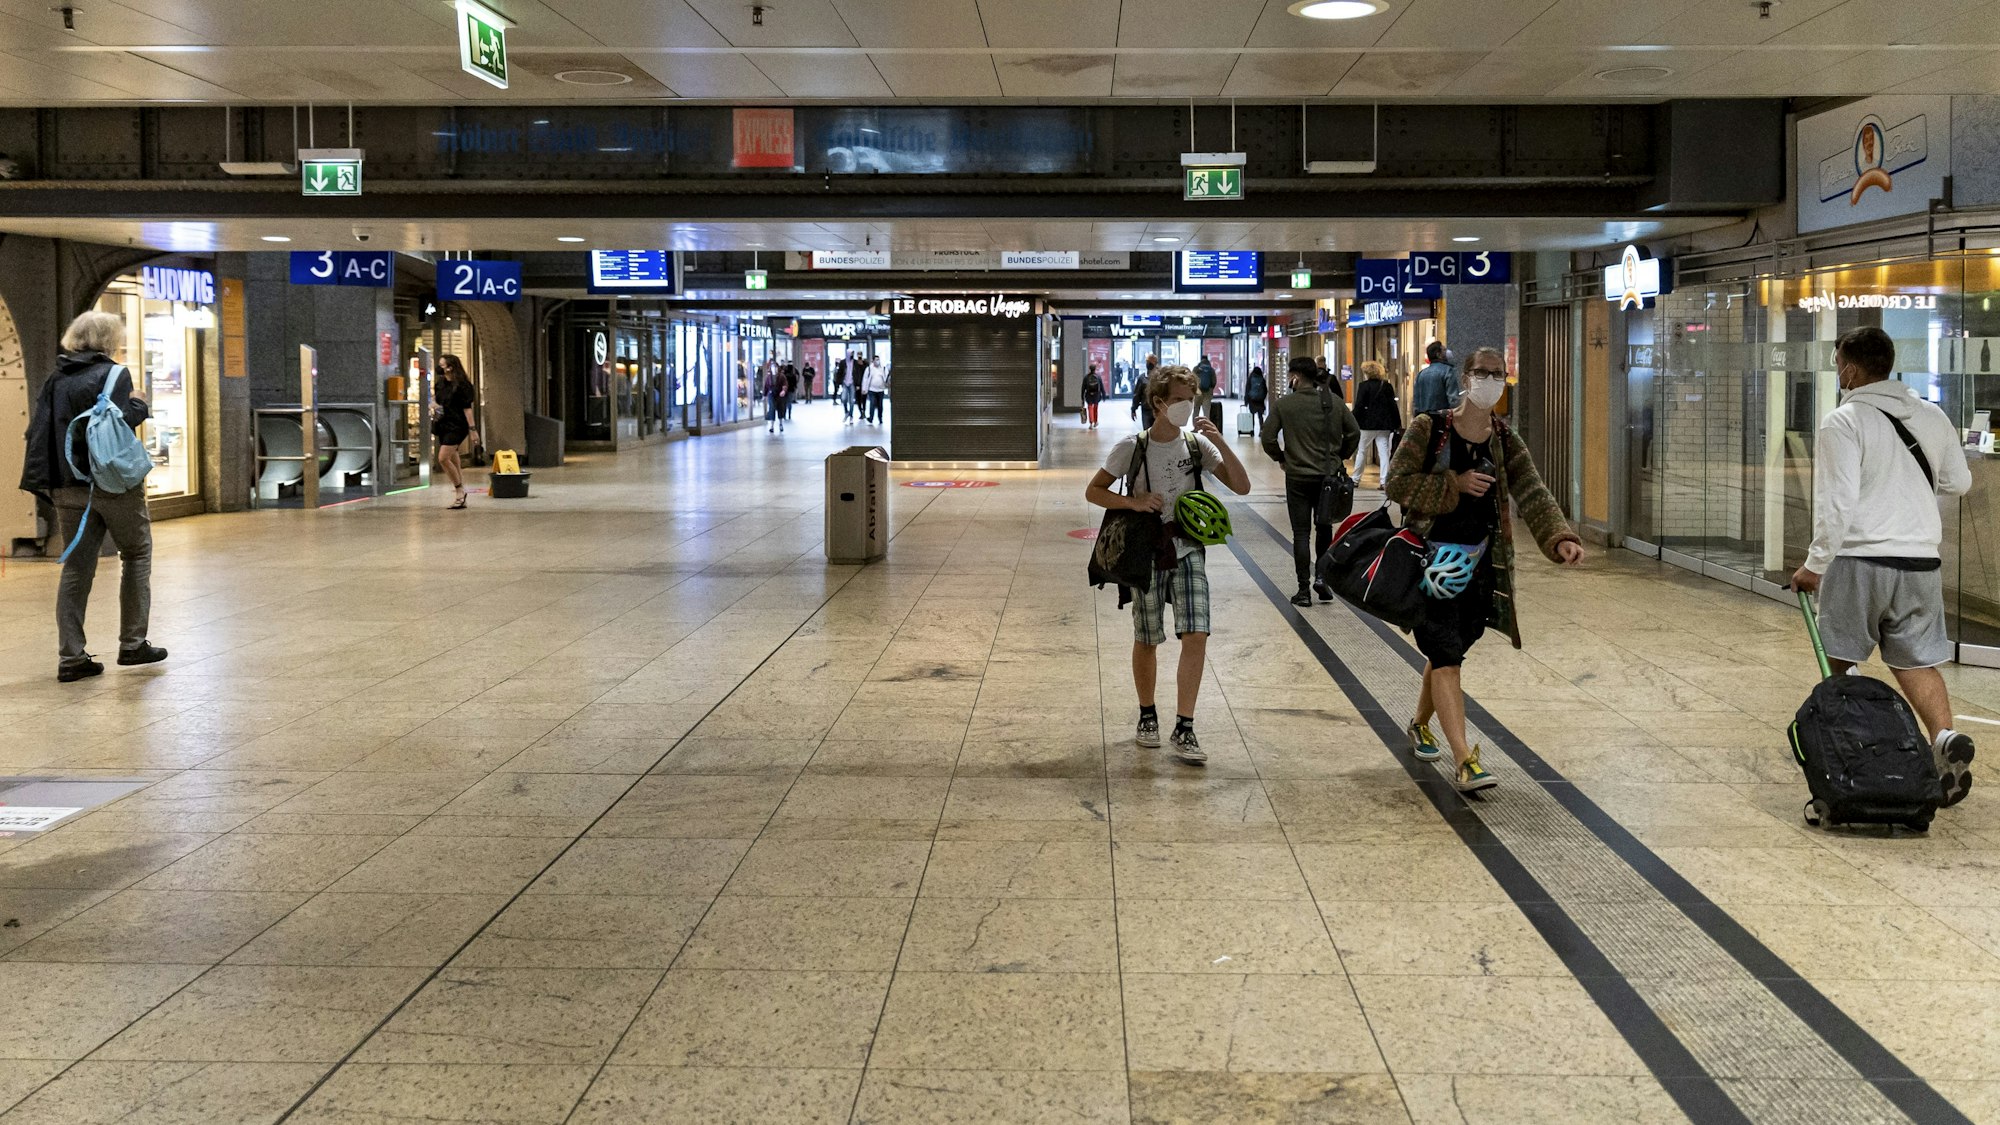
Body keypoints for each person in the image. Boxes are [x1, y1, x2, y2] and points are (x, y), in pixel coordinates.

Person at [1791, 326, 1976, 807]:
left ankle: (1855, 751)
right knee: (1917, 660)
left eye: (1837, 365)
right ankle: (1943, 740)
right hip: (1920, 560)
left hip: (1860, 558)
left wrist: (1814, 565)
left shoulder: (1844, 420)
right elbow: (1958, 481)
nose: (1838, 374)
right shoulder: (1931, 414)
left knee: (1840, 657)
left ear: (1850, 368)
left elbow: (1838, 501)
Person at [1387, 346, 1583, 793]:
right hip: (1430, 563)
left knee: (1448, 651)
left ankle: (1419, 724)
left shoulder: (1503, 438)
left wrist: (1561, 537)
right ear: (1465, 377)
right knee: (1446, 653)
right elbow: (1397, 483)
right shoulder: (1429, 428)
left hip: (1477, 566)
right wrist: (1451, 485)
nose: (1491, 381)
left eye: (1499, 374)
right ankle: (1464, 759)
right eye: (1482, 372)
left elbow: (1531, 490)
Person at [1086, 365, 1252, 765]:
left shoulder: (1197, 447)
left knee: (1196, 634)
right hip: (1147, 552)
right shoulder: (1133, 446)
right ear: (1158, 402)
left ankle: (1185, 725)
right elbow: (1094, 491)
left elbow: (1242, 486)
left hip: (1189, 549)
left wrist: (1221, 443)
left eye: (1189, 399)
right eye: (1177, 399)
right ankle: (1147, 716)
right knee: (1147, 638)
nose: (1185, 406)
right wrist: (1134, 502)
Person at [20, 310, 167, 681]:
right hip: (112, 484)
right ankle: (133, 644)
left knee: (77, 568)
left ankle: (71, 657)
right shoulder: (115, 374)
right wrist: (139, 403)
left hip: (67, 487)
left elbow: (39, 431)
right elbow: (119, 424)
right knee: (135, 554)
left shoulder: (55, 378)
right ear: (108, 341)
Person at [1263, 356, 1360, 607]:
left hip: (1297, 477)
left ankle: (1303, 590)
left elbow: (1268, 438)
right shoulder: (1333, 402)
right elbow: (1354, 432)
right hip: (1327, 477)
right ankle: (1323, 579)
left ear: (1294, 377)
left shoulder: (1285, 404)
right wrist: (1340, 456)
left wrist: (1282, 457)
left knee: (1301, 533)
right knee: (1324, 528)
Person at [432, 354, 477, 510]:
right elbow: (436, 400)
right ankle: (461, 488)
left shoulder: (464, 385)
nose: (439, 367)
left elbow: (467, 409)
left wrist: (473, 430)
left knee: (443, 458)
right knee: (452, 455)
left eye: (442, 365)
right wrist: (433, 405)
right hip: (443, 424)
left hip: (458, 425)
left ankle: (459, 491)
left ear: (450, 367)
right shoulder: (440, 384)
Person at [1351, 360, 1401, 487]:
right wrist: (1397, 423)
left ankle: (1356, 479)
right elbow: (1393, 406)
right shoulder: (1387, 386)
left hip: (1367, 424)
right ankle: (1384, 481)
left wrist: (1351, 419)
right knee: (1384, 452)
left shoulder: (1363, 386)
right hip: (1384, 424)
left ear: (1367, 373)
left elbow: (1359, 406)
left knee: (1362, 450)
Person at [1412, 341, 1458, 415]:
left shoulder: (1420, 374)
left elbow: (1416, 402)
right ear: (1439, 354)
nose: (1447, 352)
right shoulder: (1448, 371)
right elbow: (1453, 400)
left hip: (1424, 419)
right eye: (1444, 350)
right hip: (1442, 419)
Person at [1130, 353, 1159, 429]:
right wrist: (1133, 409)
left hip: (1158, 410)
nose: (1148, 364)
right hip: (1146, 409)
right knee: (1147, 432)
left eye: (1151, 362)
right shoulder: (1142, 378)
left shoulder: (1160, 377)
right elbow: (1137, 395)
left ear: (1155, 363)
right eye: (1147, 362)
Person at [1243, 364, 1267, 432]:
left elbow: (1247, 390)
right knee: (1260, 416)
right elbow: (1265, 390)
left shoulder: (1250, 378)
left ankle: (1252, 430)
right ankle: (1261, 430)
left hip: (1252, 400)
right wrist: (1262, 397)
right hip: (1260, 401)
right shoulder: (1262, 379)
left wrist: (1246, 401)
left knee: (1252, 416)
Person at [863, 359, 889, 424]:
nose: (877, 361)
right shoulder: (869, 368)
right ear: (873, 361)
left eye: (878, 360)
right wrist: (864, 388)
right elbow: (865, 379)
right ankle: (871, 418)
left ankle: (880, 418)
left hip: (881, 390)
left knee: (880, 405)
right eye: (875, 360)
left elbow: (887, 376)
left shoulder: (883, 368)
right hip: (872, 390)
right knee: (872, 404)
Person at [1193, 355, 1218, 422]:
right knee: (1206, 410)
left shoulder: (1196, 368)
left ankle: (1195, 427)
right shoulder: (1211, 369)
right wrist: (1211, 388)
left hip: (1198, 392)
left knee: (1196, 409)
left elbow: (1192, 379)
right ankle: (1206, 427)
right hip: (1208, 392)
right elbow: (1214, 381)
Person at [1081, 364, 1105, 429]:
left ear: (1089, 369)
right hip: (1096, 395)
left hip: (1089, 394)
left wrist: (1082, 397)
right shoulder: (1098, 376)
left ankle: (1091, 423)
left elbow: (1083, 388)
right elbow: (1102, 387)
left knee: (1090, 408)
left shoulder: (1086, 377)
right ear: (1095, 369)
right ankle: (1096, 421)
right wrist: (1104, 395)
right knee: (1095, 408)